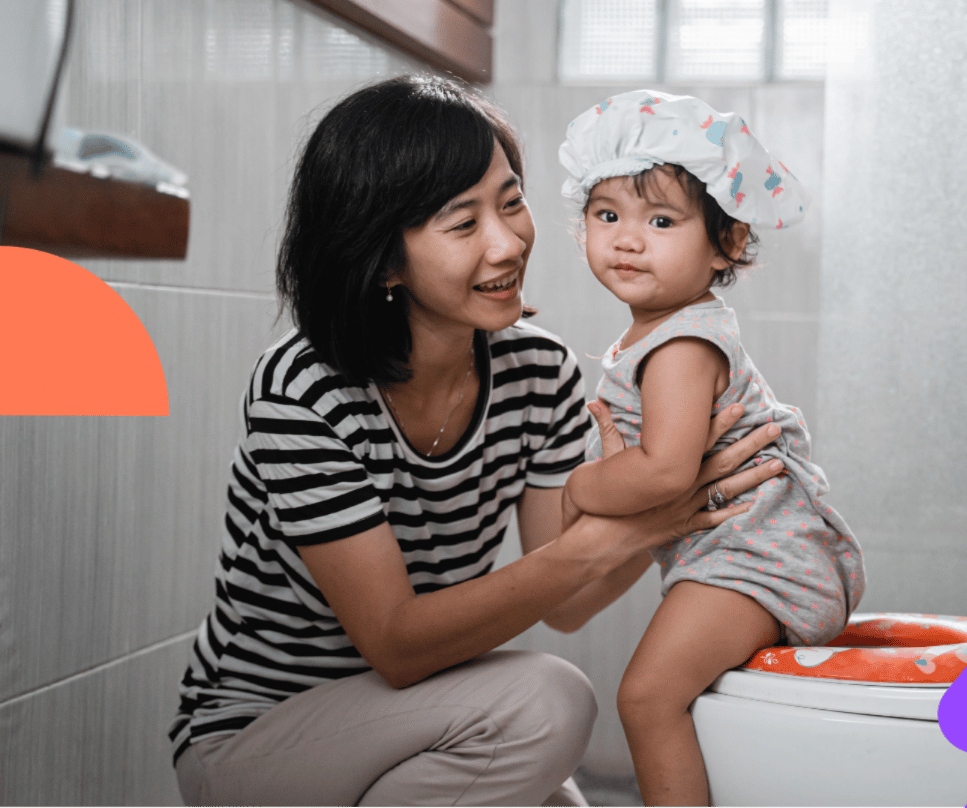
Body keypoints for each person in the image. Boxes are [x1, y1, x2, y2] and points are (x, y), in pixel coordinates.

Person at [168, 75, 787, 807]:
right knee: (547, 699)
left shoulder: (538, 371)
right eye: (462, 225)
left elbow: (567, 600)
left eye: (512, 203)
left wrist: (685, 504)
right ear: (384, 258)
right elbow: (396, 645)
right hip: (257, 737)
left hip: (418, 717)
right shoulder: (305, 389)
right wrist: (623, 526)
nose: (506, 244)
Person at [557, 90, 867, 806]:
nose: (627, 239)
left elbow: (665, 473)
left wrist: (583, 488)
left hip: (759, 562)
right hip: (750, 556)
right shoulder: (665, 330)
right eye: (607, 216)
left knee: (645, 697)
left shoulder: (681, 343)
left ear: (726, 242)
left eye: (660, 220)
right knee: (674, 699)